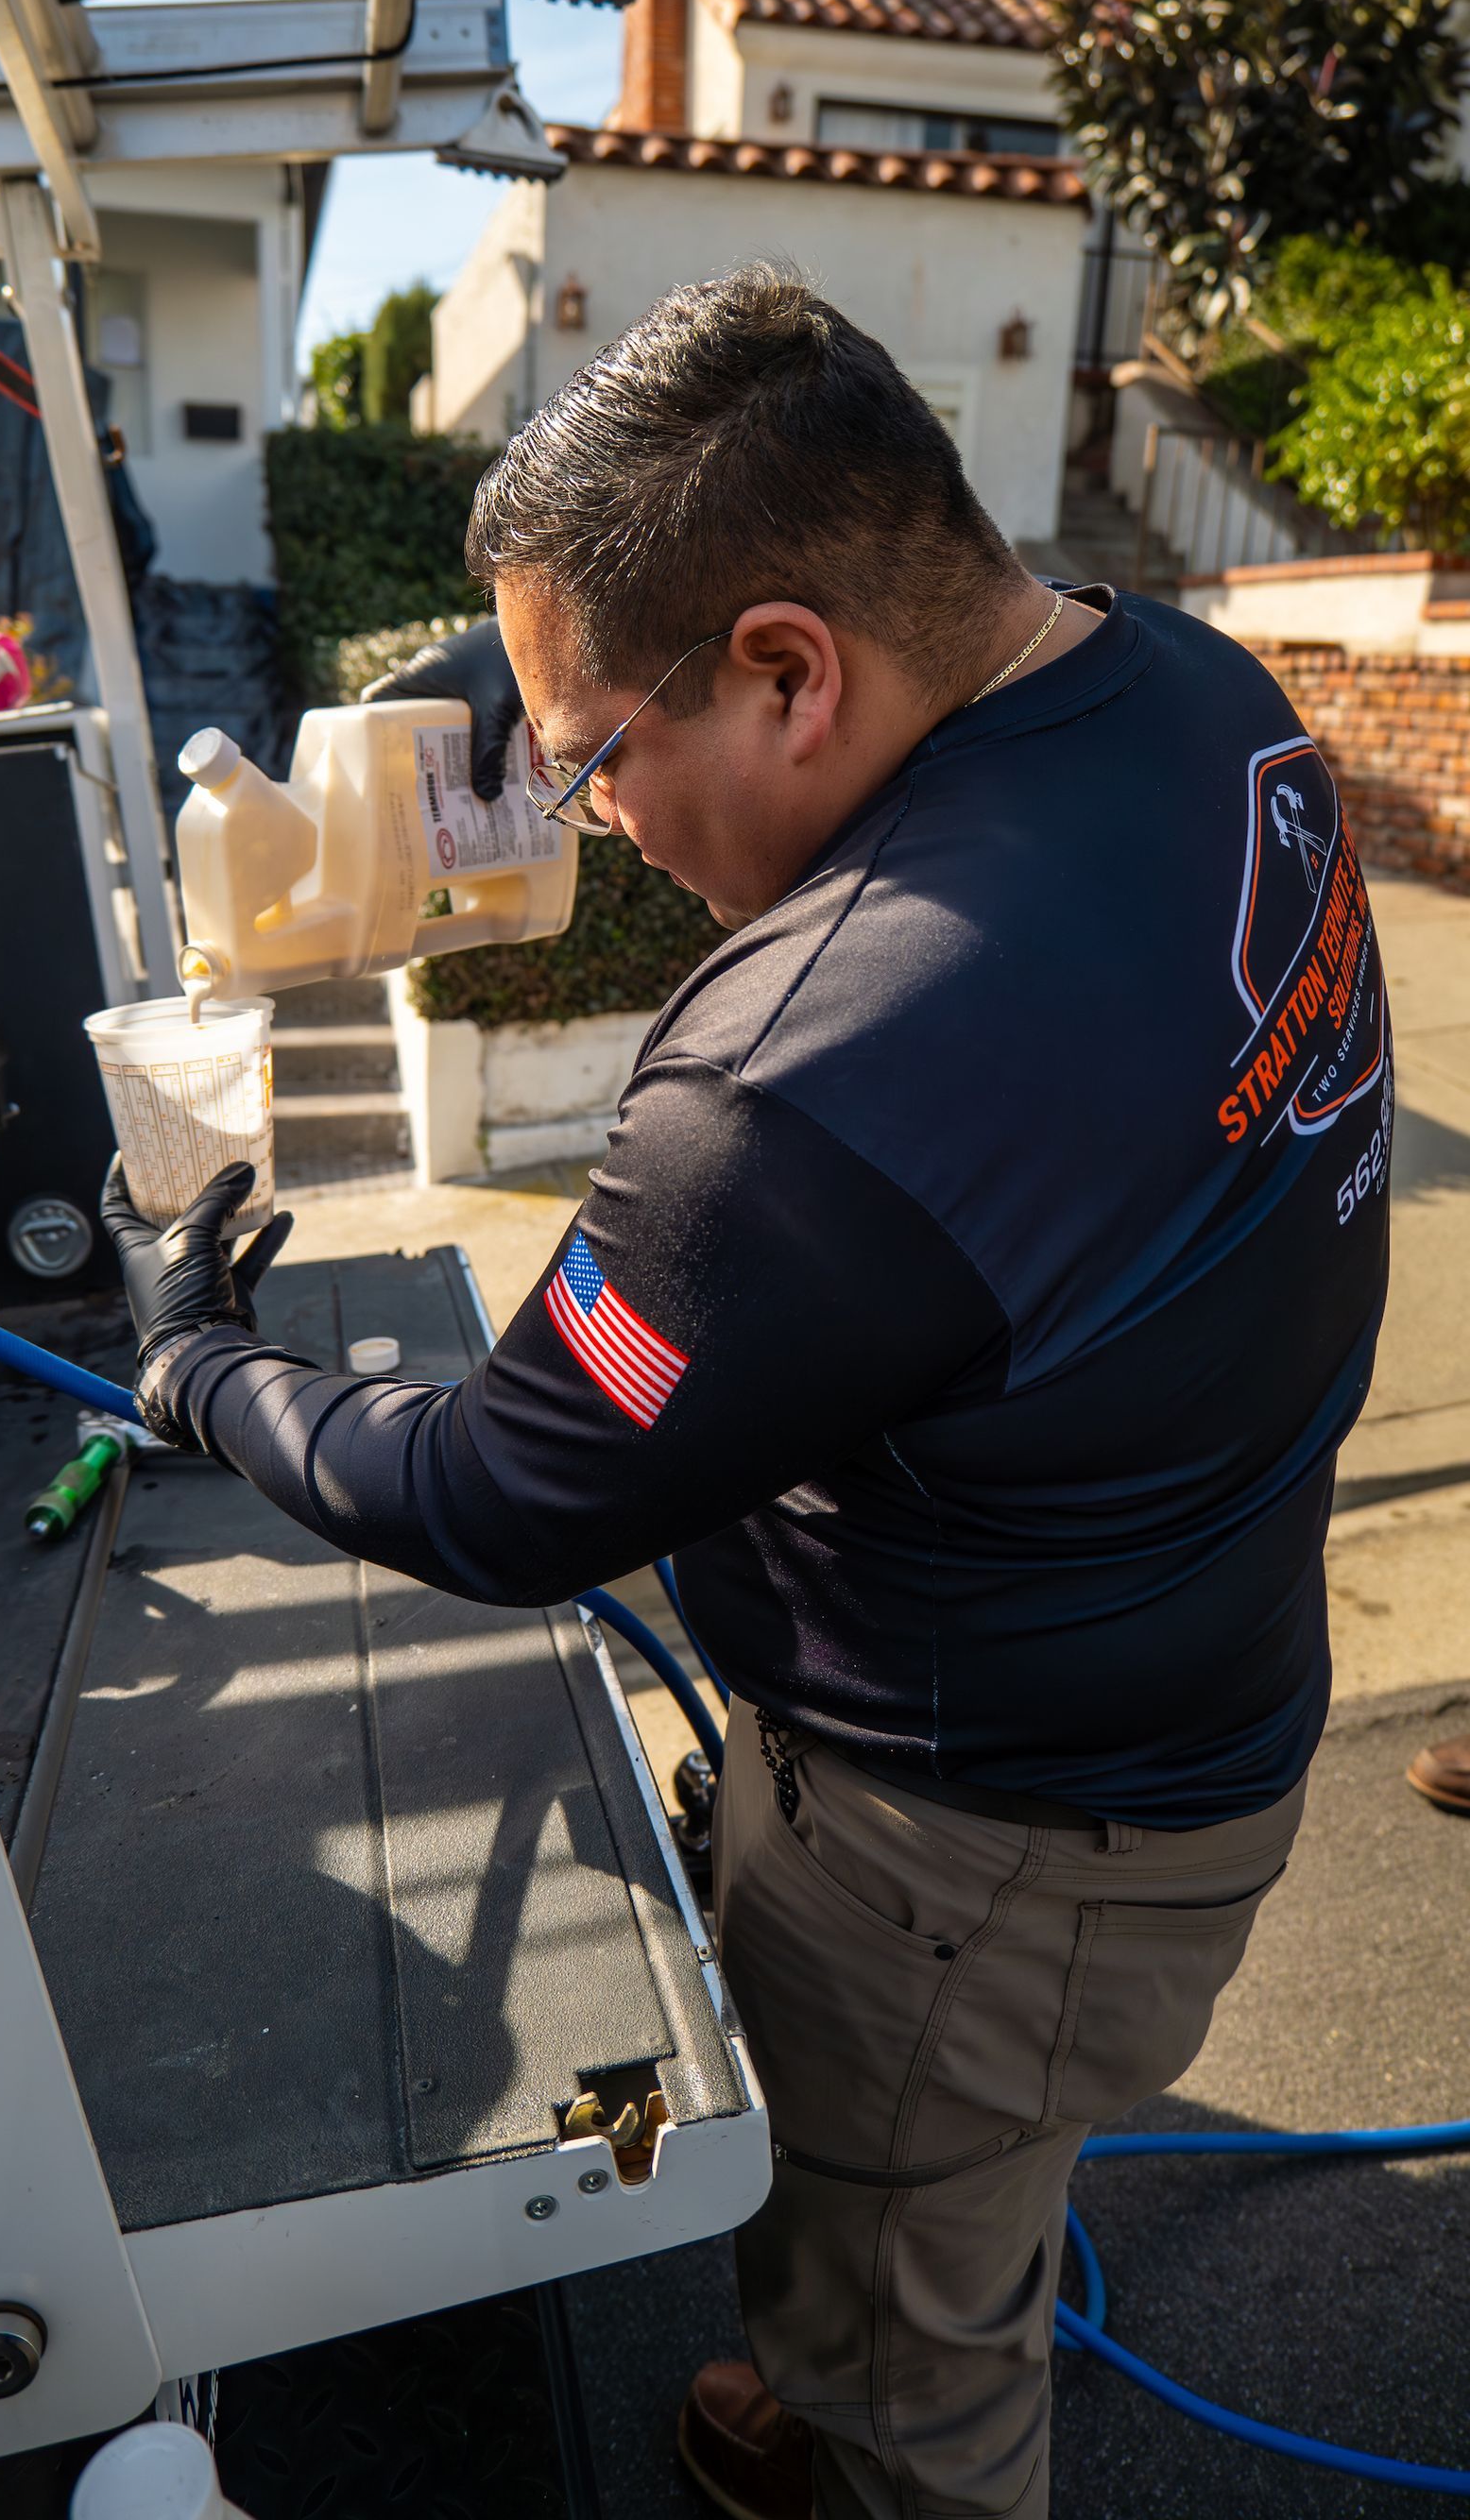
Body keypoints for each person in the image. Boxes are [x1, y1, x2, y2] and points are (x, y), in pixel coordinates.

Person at [105, 265, 1391, 2520]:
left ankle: (868, 2400)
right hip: (1190, 1693)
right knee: (938, 2196)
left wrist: (201, 1364)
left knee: (925, 2368)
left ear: (792, 669)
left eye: (593, 758)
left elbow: (507, 1494)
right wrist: (516, 697)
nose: (590, 818)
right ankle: (869, 2312)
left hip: (980, 1859)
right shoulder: (1199, 698)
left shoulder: (812, 1073)